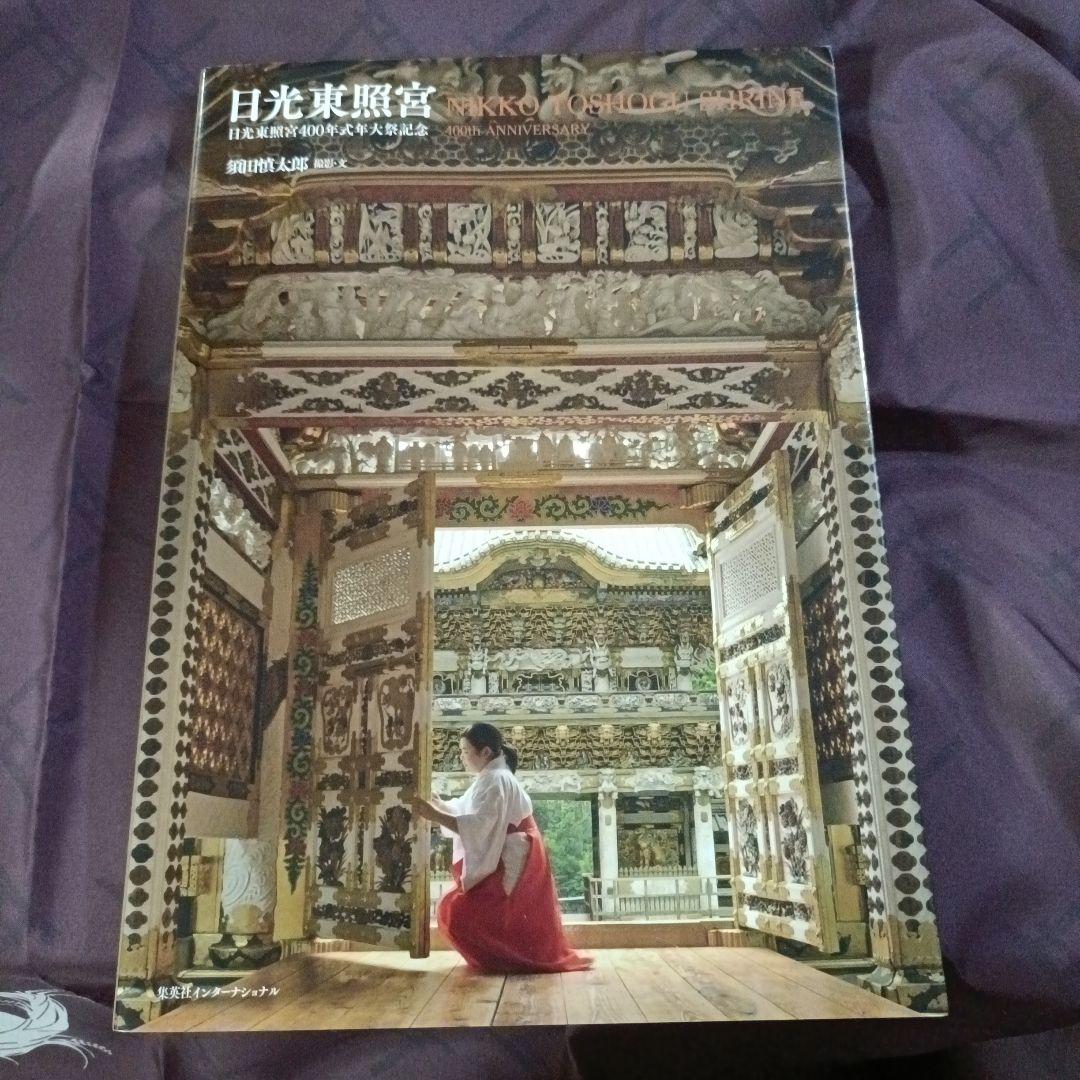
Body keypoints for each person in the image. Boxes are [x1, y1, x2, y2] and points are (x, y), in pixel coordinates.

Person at [412, 722, 592, 974]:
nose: (461, 757)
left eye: (465, 751)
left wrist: (434, 815)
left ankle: (512, 961)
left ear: (485, 752)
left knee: (469, 911)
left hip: (513, 854)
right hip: (506, 849)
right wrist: (439, 806)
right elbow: (465, 809)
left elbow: (479, 825)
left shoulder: (497, 779)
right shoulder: (490, 777)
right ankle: (506, 961)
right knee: (465, 909)